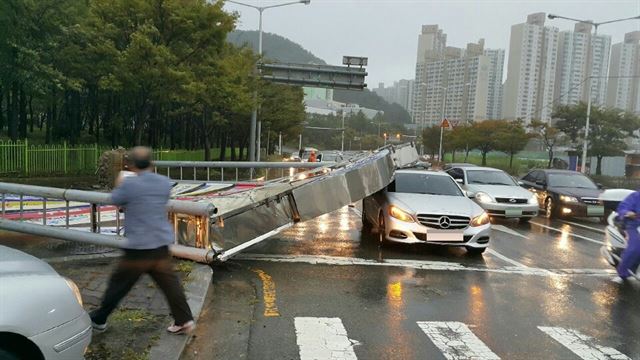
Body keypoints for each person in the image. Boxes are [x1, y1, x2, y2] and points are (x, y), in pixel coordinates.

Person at [90, 146, 195, 334]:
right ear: (152, 163)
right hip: (161, 243)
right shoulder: (164, 182)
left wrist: (120, 182)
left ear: (130, 165)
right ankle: (184, 320)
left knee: (119, 284)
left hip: (139, 247)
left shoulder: (130, 185)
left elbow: (116, 200)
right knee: (170, 284)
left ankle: (99, 319)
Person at [612, 190, 640, 284]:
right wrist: (628, 212)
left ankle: (633, 269)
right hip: (634, 226)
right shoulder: (635, 196)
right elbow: (623, 208)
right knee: (634, 248)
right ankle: (622, 274)